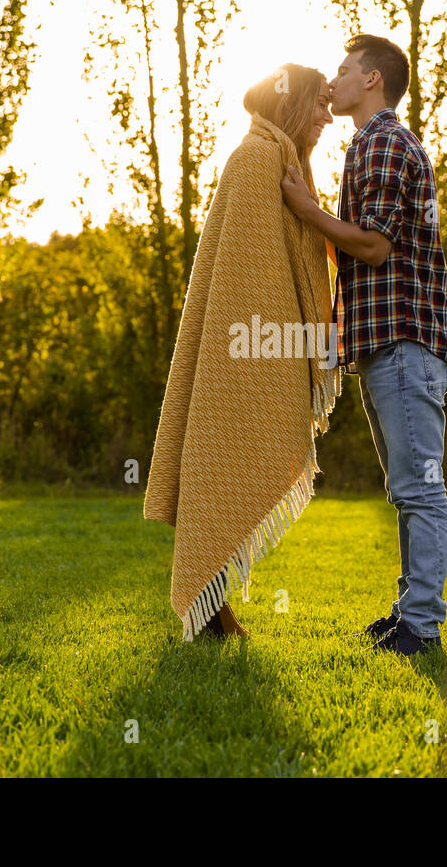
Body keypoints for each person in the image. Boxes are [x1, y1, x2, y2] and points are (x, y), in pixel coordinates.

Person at [145, 63, 337, 640]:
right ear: (293, 105)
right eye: (320, 104)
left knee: (228, 463)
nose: (328, 118)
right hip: (243, 352)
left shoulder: (279, 159)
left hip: (257, 346)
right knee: (224, 463)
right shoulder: (257, 159)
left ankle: (214, 605)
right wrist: (270, 350)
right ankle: (209, 605)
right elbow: (248, 276)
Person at [281, 34, 447, 656]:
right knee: (406, 489)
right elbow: (357, 248)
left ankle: (422, 627)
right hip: (387, 344)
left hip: (406, 340)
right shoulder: (366, 145)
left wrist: (307, 209)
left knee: (420, 490)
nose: (332, 81)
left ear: (373, 79)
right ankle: (411, 614)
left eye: (343, 69)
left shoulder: (383, 142)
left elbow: (375, 247)